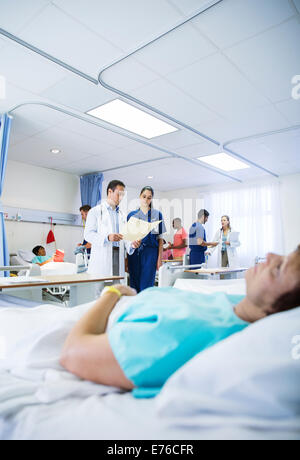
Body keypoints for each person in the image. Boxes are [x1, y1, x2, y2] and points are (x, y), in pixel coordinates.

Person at [60, 246, 300, 398]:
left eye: (279, 269)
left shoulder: (184, 335)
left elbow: (72, 352)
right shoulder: (240, 303)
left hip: (100, 311)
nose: (271, 255)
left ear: (276, 310)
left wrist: (113, 293)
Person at [84, 180, 140, 280]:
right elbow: (88, 235)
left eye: (123, 195)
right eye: (119, 194)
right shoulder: (95, 211)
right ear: (110, 192)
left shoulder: (122, 214)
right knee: (101, 291)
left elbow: (125, 236)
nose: (121, 198)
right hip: (102, 257)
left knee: (117, 289)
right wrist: (107, 238)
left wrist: (132, 244)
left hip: (118, 256)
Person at [127, 186, 166, 293]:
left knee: (146, 286)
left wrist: (159, 259)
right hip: (134, 253)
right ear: (140, 197)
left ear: (151, 199)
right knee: (133, 286)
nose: (146, 199)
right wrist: (126, 259)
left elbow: (160, 239)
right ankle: (135, 308)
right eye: (144, 196)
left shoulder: (157, 215)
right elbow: (127, 240)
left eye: (149, 197)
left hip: (150, 254)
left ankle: (146, 309)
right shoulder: (131, 215)